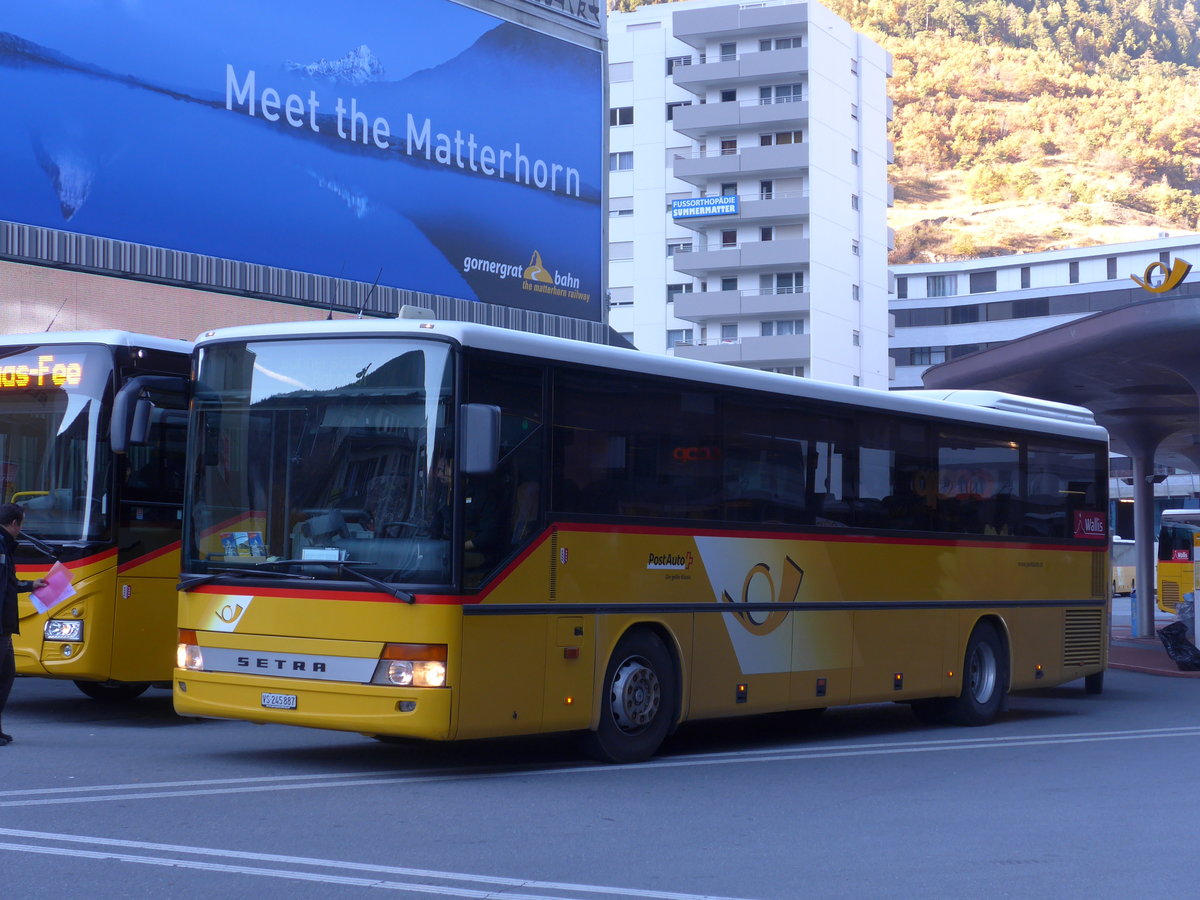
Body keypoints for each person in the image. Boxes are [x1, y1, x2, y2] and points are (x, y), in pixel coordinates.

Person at [1, 502, 48, 747]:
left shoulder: (5, 544)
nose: (21, 530)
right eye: (21, 525)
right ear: (14, 523)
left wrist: (31, 585)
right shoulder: (1, 545)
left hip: (5, 626)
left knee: (7, 673)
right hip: (0, 625)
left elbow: (8, 583)